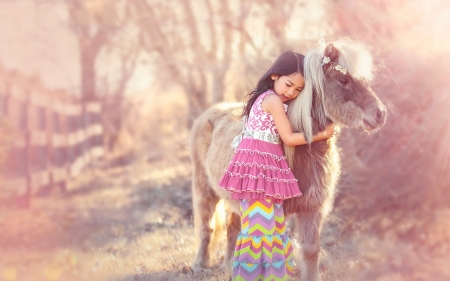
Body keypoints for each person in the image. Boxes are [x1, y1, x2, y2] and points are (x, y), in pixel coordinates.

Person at [218, 51, 335, 281]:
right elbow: (289, 138)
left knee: (266, 227)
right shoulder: (272, 101)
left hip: (262, 167)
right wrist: (323, 133)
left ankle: (265, 276)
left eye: (298, 90)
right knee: (261, 229)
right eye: (288, 84)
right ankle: (256, 276)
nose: (290, 92)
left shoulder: (269, 99)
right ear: (274, 76)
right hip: (260, 168)